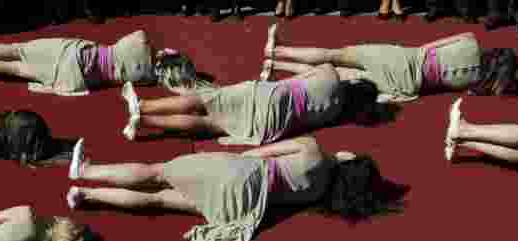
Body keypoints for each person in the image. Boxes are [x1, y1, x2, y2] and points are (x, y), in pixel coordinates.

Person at [64, 135, 394, 241]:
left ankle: (86, 171)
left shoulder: (314, 149)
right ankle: (87, 196)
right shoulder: (320, 194)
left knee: (157, 173)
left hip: (242, 173)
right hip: (244, 205)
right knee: (159, 199)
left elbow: (257, 153)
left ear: (350, 162)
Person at [119, 63, 390, 144]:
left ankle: (143, 106)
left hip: (270, 94)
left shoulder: (330, 73)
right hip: (272, 125)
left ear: (354, 82)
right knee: (209, 123)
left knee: (207, 99)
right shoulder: (336, 113)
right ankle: (143, 121)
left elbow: (297, 78)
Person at [261, 24, 518, 103]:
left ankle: (277, 51)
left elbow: (431, 46)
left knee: (334, 54)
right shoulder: (477, 84)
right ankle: (276, 68)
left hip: (406, 58)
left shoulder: (470, 41)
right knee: (337, 73)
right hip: (409, 84)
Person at [0, 27, 199, 96]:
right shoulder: (148, 79)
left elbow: (145, 36)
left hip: (75, 54)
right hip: (75, 78)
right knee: (15, 68)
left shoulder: (141, 43)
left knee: (16, 50)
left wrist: (165, 52)